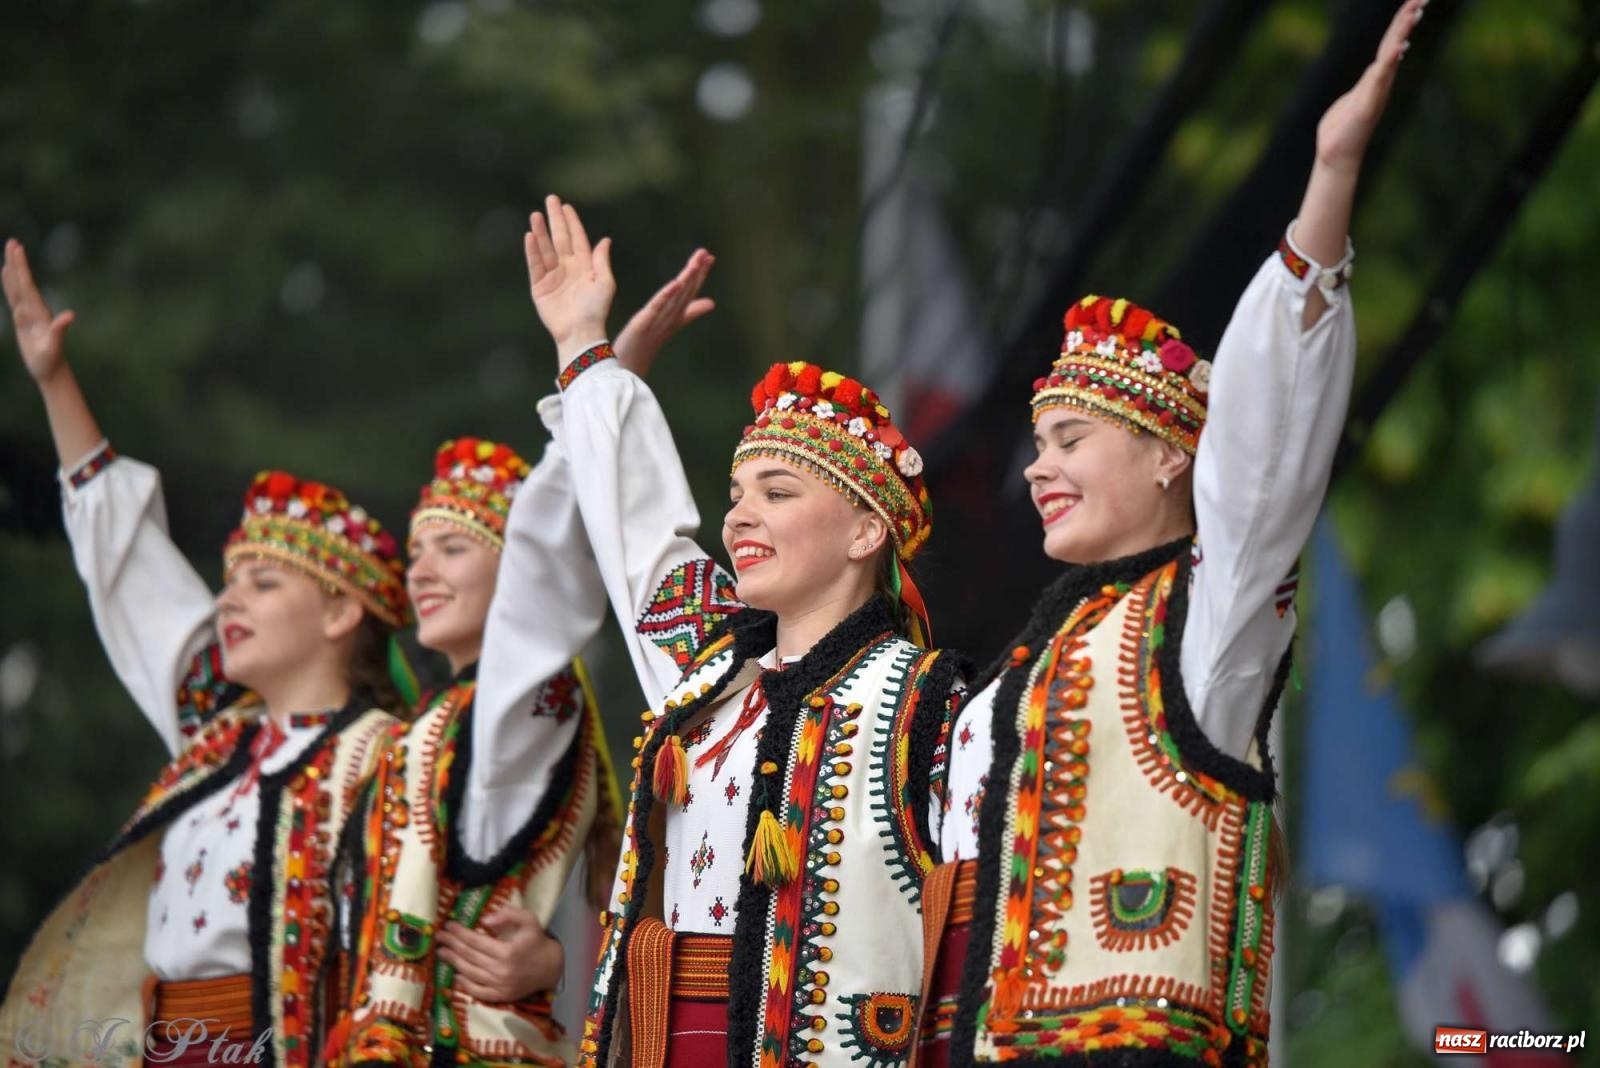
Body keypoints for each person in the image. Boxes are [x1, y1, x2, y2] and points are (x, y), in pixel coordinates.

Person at [919, 4, 1426, 1066]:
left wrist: (1329, 176)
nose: (1035, 469)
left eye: (1067, 438)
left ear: (1168, 455)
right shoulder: (1023, 669)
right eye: (1034, 442)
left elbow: (1265, 443)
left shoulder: (1207, 618)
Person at [521, 196, 967, 1067]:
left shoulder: (927, 704)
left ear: (866, 531)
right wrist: (582, 343)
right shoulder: (711, 673)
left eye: (778, 493)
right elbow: (638, 531)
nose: (740, 519)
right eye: (736, 496)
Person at [0, 238, 408, 1068]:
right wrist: (53, 381)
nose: (226, 601)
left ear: (339, 612)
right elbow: (132, 567)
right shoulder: (215, 733)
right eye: (228, 582)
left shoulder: (389, 760)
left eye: (261, 584)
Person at [331, 262, 717, 1068]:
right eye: (416, 552)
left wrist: (596, 371)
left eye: (454, 548)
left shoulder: (522, 703)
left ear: (518, 570)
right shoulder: (445, 720)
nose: (422, 571)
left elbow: (549, 558)